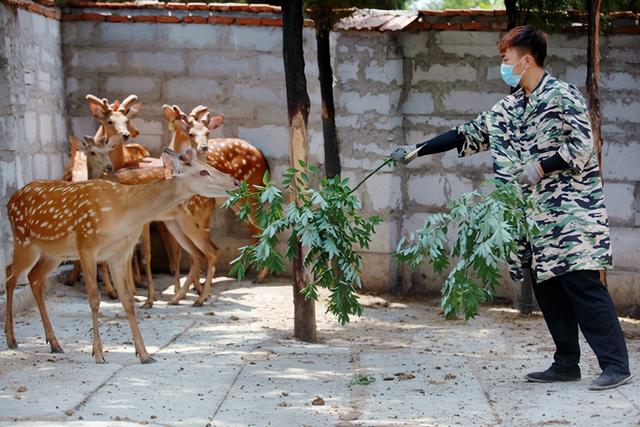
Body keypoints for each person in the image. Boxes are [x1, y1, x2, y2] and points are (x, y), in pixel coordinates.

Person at [390, 25, 632, 391]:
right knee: (547, 288)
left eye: (505, 58)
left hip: (569, 215)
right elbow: (466, 134)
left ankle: (616, 365)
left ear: (526, 60)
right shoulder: (508, 108)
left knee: (582, 285)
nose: (502, 65)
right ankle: (566, 363)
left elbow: (583, 147)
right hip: (530, 220)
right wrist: (417, 150)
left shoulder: (562, 96)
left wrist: (540, 167)